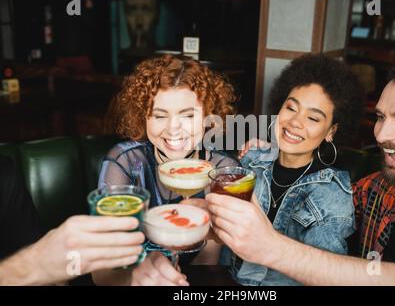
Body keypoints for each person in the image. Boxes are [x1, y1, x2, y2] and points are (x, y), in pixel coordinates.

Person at [208, 56, 395, 285]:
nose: (381, 134)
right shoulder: (377, 189)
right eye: (379, 117)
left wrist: (268, 245)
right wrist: (272, 152)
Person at [211, 54, 363, 285]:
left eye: (313, 118)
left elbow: (326, 275)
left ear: (331, 131)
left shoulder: (331, 196)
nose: (295, 122)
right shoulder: (252, 161)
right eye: (291, 108)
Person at [92, 54, 239, 285]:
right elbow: (102, 271)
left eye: (188, 115)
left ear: (208, 117)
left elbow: (208, 259)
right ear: (143, 116)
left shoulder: (224, 169)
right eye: (159, 115)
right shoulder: (125, 161)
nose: (173, 129)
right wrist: (137, 276)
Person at [0, 155, 145, 285]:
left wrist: (51, 273)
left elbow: (50, 275)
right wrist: (34, 266)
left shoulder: (5, 173)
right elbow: (39, 264)